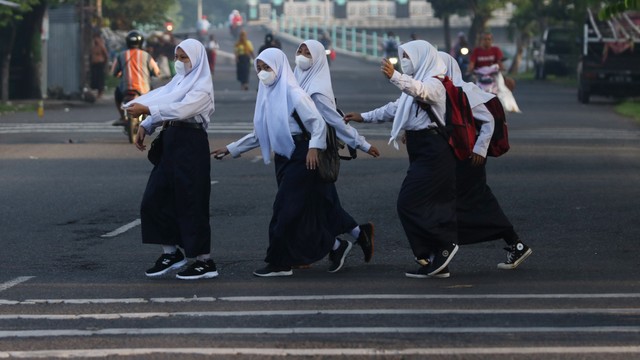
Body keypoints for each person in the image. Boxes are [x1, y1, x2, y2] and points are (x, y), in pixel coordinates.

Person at [211, 48, 342, 277]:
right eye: (259, 68)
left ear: (279, 68)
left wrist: (313, 148)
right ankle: (336, 246)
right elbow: (259, 133)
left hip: (302, 154)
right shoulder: (267, 94)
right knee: (299, 212)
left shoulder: (293, 93)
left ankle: (279, 262)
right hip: (283, 156)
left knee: (283, 210)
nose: (263, 73)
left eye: (267, 68)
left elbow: (318, 124)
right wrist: (231, 149)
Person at [344, 40, 458, 278]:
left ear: (421, 57)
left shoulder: (436, 84)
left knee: (407, 203)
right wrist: (362, 117)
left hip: (434, 150)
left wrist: (395, 76)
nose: (404, 60)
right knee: (424, 205)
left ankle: (443, 246)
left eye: (408, 56)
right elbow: (394, 109)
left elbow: (421, 92)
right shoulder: (413, 87)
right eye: (402, 56)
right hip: (419, 149)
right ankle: (435, 259)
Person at [125, 38, 217, 280]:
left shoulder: (202, 88)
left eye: (184, 57)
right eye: (176, 57)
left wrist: (147, 110)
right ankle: (171, 253)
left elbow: (181, 109)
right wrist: (147, 124)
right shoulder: (179, 82)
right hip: (171, 140)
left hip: (191, 143)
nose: (178, 62)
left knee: (191, 200)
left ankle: (204, 261)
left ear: (196, 59)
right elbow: (164, 100)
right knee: (155, 197)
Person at [438, 52, 532, 269]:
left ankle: (441, 248)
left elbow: (487, 121)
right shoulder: (451, 90)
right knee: (469, 200)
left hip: (469, 157)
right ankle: (514, 243)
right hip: (463, 156)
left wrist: (480, 149)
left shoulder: (463, 91)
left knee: (465, 200)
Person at [294, 39, 379, 271]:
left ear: (318, 59)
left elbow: (336, 121)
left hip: (315, 152)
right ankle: (359, 234)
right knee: (324, 201)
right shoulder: (298, 78)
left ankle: (330, 247)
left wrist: (362, 144)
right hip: (303, 150)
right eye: (299, 50)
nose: (301, 55)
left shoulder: (317, 90)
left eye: (307, 53)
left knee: (306, 204)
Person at [111, 30, 160, 125]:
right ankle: (151, 117)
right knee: (153, 96)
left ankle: (122, 117)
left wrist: (119, 74)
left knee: (117, 95)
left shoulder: (121, 55)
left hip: (125, 88)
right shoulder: (146, 55)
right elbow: (157, 72)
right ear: (141, 42)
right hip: (144, 89)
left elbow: (114, 72)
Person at [90, 29, 108, 99]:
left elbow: (105, 54)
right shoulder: (92, 45)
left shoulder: (101, 44)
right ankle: (95, 91)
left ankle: (100, 92)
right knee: (94, 78)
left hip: (100, 63)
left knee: (100, 79)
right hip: (94, 64)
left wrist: (105, 63)